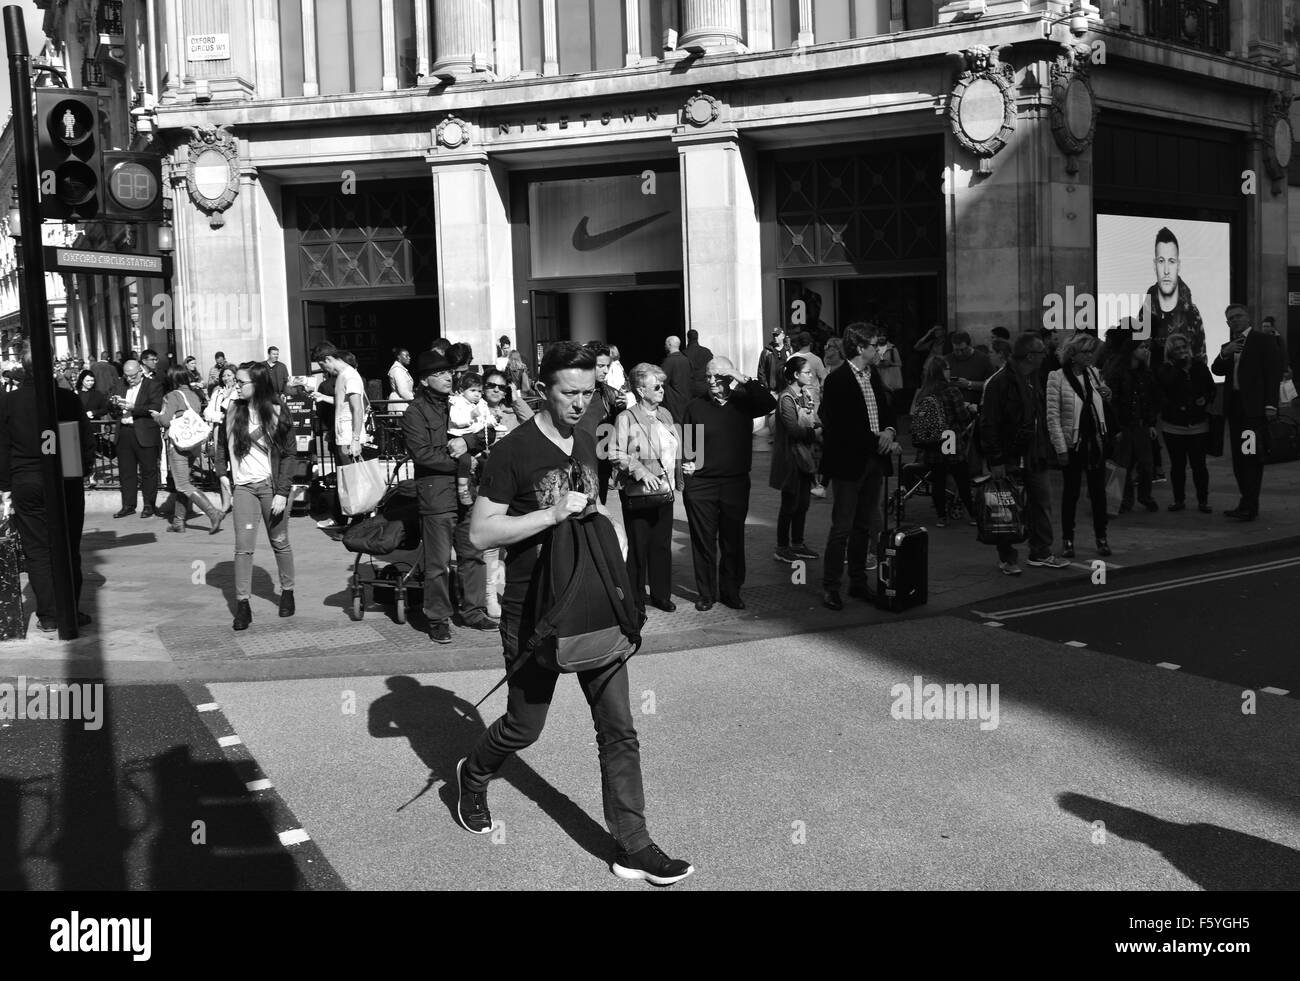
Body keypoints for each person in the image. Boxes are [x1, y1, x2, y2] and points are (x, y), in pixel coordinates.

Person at [462, 341, 694, 885]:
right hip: (534, 611)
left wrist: (607, 533)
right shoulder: (512, 451)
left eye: (589, 393)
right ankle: (473, 775)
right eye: (570, 392)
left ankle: (632, 844)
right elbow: (480, 531)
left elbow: (593, 503)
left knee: (619, 728)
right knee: (525, 726)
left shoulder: (590, 436)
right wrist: (548, 514)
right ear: (543, 389)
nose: (580, 403)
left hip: (591, 599)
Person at [401, 350, 496, 645]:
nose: (446, 377)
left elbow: (486, 434)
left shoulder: (461, 403)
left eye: (448, 373)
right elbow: (423, 455)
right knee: (438, 562)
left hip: (469, 490)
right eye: (439, 373)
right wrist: (463, 459)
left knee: (473, 553)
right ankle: (438, 617)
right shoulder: (415, 412)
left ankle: (474, 610)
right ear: (424, 380)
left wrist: (465, 442)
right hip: (437, 493)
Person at [0, 343, 96, 632]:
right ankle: (68, 610)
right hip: (63, 477)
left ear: (23, 366)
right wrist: (80, 473)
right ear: (52, 363)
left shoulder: (10, 402)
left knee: (38, 550)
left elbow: (3, 447)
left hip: (27, 478)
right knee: (67, 547)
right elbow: (79, 443)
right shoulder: (65, 399)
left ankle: (51, 614)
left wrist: (5, 486)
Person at [680, 357, 775, 610]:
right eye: (708, 376)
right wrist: (690, 462)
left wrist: (740, 375)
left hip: (735, 482)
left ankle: (731, 590)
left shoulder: (743, 402)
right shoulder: (696, 406)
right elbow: (691, 444)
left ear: (729, 377)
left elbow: (769, 402)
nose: (711, 381)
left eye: (717, 376)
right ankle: (706, 593)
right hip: (701, 485)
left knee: (732, 540)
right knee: (704, 541)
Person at [818, 325, 899, 610]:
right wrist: (879, 439)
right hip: (849, 463)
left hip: (875, 460)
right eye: (875, 345)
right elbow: (841, 426)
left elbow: (886, 409)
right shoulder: (837, 380)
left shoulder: (873, 375)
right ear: (861, 348)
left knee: (864, 525)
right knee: (842, 527)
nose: (879, 350)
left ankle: (858, 582)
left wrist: (889, 431)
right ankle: (831, 586)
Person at [980, 334, 1068, 574]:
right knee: (1006, 508)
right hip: (1009, 455)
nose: (1045, 356)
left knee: (1041, 502)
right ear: (1030, 355)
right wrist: (996, 459)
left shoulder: (1033, 378)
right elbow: (989, 424)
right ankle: (1008, 558)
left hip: (1034, 453)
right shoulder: (999, 382)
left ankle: (1041, 551)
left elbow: (1039, 417)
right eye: (1041, 352)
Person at [225, 363, 296, 631]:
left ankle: (287, 591)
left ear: (257, 383)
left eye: (241, 382)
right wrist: (222, 474)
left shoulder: (277, 411)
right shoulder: (233, 409)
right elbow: (223, 445)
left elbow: (290, 454)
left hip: (270, 486)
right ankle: (243, 605)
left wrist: (282, 492)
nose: (237, 386)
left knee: (280, 541)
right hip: (243, 487)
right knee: (243, 548)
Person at [610, 362, 681, 618]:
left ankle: (662, 595)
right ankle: (637, 598)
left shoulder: (665, 414)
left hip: (665, 489)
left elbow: (672, 448)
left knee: (661, 545)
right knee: (639, 546)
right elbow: (615, 452)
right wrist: (642, 471)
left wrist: (683, 470)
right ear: (641, 390)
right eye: (657, 386)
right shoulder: (626, 418)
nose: (662, 390)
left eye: (662, 385)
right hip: (639, 493)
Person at [1211, 303, 1283, 521]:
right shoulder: (1230, 345)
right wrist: (1225, 352)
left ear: (1248, 317)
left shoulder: (1263, 341)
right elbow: (1216, 369)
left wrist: (1271, 405)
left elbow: (1273, 374)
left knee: (1250, 457)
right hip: (1235, 412)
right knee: (1238, 460)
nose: (1235, 320)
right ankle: (1245, 501)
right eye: (1230, 318)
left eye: (1238, 316)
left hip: (1253, 412)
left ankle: (1250, 506)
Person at [1047, 332, 1113, 559]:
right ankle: (1068, 540)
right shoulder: (1056, 377)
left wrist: (1107, 394)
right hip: (1072, 443)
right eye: (1085, 352)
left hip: (1094, 442)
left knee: (1098, 494)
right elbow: (1052, 416)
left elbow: (1100, 405)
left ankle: (1101, 538)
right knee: (1071, 493)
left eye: (1091, 352)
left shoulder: (1094, 374)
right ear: (1073, 355)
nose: (1090, 356)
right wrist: (1060, 448)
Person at [151, 365, 225, 535]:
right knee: (183, 482)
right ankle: (178, 521)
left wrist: (156, 417)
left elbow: (165, 420)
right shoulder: (194, 394)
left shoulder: (171, 396)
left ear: (172, 379)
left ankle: (213, 513)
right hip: (194, 443)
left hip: (178, 444)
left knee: (183, 484)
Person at [911, 356, 976, 528]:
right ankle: (973, 514)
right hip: (949, 438)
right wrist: (970, 409)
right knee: (961, 477)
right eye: (947, 368)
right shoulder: (951, 391)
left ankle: (941, 517)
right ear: (942, 371)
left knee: (938, 480)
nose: (950, 371)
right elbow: (962, 417)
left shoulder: (924, 392)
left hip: (931, 442)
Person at [1103, 327, 1160, 514]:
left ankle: (1144, 495)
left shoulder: (1145, 373)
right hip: (1124, 424)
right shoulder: (1119, 372)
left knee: (1146, 464)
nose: (1145, 350)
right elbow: (1113, 400)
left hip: (1140, 424)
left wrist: (1151, 422)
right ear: (1132, 350)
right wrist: (1115, 426)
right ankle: (1119, 501)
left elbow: (1151, 399)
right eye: (1142, 347)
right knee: (1121, 464)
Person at [1156, 332, 1215, 513]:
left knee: (1199, 466)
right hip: (1173, 426)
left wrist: (1204, 399)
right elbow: (1161, 395)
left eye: (1184, 347)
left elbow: (1211, 389)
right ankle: (1179, 500)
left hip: (1198, 424)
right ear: (1171, 352)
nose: (1182, 351)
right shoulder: (1166, 370)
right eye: (1177, 349)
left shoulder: (1199, 366)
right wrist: (1179, 369)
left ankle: (1203, 501)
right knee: (1177, 466)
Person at [770, 357, 822, 563]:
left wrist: (816, 428)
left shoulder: (805, 394)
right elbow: (794, 429)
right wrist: (815, 433)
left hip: (805, 457)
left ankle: (798, 543)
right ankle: (782, 547)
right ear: (795, 375)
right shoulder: (786, 398)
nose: (811, 375)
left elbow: (816, 419)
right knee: (789, 504)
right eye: (807, 372)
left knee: (803, 503)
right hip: (790, 458)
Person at [108, 358, 164, 519]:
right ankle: (128, 505)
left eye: (132, 376)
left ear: (140, 371)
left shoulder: (153, 385)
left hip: (144, 431)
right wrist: (113, 403)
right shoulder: (120, 385)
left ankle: (149, 505)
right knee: (126, 471)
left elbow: (155, 407)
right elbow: (109, 404)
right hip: (124, 431)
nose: (129, 379)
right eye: (126, 376)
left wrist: (134, 408)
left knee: (148, 470)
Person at [1145, 226, 1206, 367]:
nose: (1166, 271)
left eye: (1171, 261)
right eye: (1161, 261)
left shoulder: (1192, 313)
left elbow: (1201, 358)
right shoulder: (1146, 312)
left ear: (1178, 265)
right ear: (1155, 266)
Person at [576, 341, 625, 504]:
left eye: (607, 365)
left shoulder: (611, 394)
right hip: (576, 464)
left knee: (599, 513)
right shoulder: (573, 393)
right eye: (600, 365)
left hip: (601, 465)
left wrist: (623, 407)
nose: (606, 370)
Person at [311, 343, 370, 463]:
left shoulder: (350, 376)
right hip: (344, 438)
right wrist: (323, 397)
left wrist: (355, 440)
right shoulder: (343, 375)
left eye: (322, 365)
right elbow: (344, 403)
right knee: (346, 479)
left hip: (349, 440)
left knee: (352, 479)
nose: (323, 369)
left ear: (328, 359)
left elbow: (357, 409)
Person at [449, 371, 492, 506]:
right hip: (459, 436)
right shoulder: (457, 403)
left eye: (479, 391)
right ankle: (463, 489)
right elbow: (456, 420)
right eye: (472, 390)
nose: (476, 394)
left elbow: (485, 418)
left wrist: (493, 421)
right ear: (462, 391)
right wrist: (471, 416)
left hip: (477, 438)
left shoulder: (481, 404)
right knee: (465, 461)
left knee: (484, 461)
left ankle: (482, 488)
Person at [204, 365, 240, 514]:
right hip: (220, 431)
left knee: (237, 467)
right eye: (224, 375)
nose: (227, 378)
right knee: (220, 465)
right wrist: (219, 416)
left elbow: (233, 409)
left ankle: (239, 501)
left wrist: (226, 400)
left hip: (235, 432)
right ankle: (226, 502)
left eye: (230, 375)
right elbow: (207, 412)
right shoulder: (217, 391)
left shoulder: (239, 390)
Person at [946, 330, 995, 404]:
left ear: (970, 345)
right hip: (952, 405)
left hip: (975, 406)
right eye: (956, 350)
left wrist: (969, 384)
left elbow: (992, 385)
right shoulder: (947, 359)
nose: (959, 353)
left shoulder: (984, 359)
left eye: (963, 350)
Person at [660, 335, 692, 421]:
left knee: (676, 428)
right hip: (687, 398)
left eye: (665, 344)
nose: (664, 346)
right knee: (686, 425)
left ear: (669, 344)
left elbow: (662, 381)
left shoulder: (669, 361)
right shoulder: (686, 360)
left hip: (673, 402)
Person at [757, 326, 794, 393]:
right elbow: (761, 370)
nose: (775, 337)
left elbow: (793, 367)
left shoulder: (789, 350)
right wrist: (767, 387)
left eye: (777, 335)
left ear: (783, 336)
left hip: (786, 388)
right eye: (774, 335)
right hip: (772, 389)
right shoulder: (767, 351)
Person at [871, 328, 904, 394]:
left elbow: (899, 364)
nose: (881, 338)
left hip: (890, 379)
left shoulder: (892, 348)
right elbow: (870, 362)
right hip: (878, 377)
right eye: (879, 336)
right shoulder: (872, 348)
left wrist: (890, 363)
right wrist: (877, 364)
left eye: (883, 336)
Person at [683, 328, 714, 399]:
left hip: (690, 388)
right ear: (697, 338)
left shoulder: (684, 353)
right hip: (705, 387)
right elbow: (712, 368)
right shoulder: (707, 352)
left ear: (688, 338)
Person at [387, 347, 415, 414]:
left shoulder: (401, 370)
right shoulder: (398, 370)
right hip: (400, 403)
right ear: (399, 357)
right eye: (406, 356)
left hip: (403, 402)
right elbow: (403, 391)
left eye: (409, 356)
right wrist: (414, 400)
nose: (409, 358)